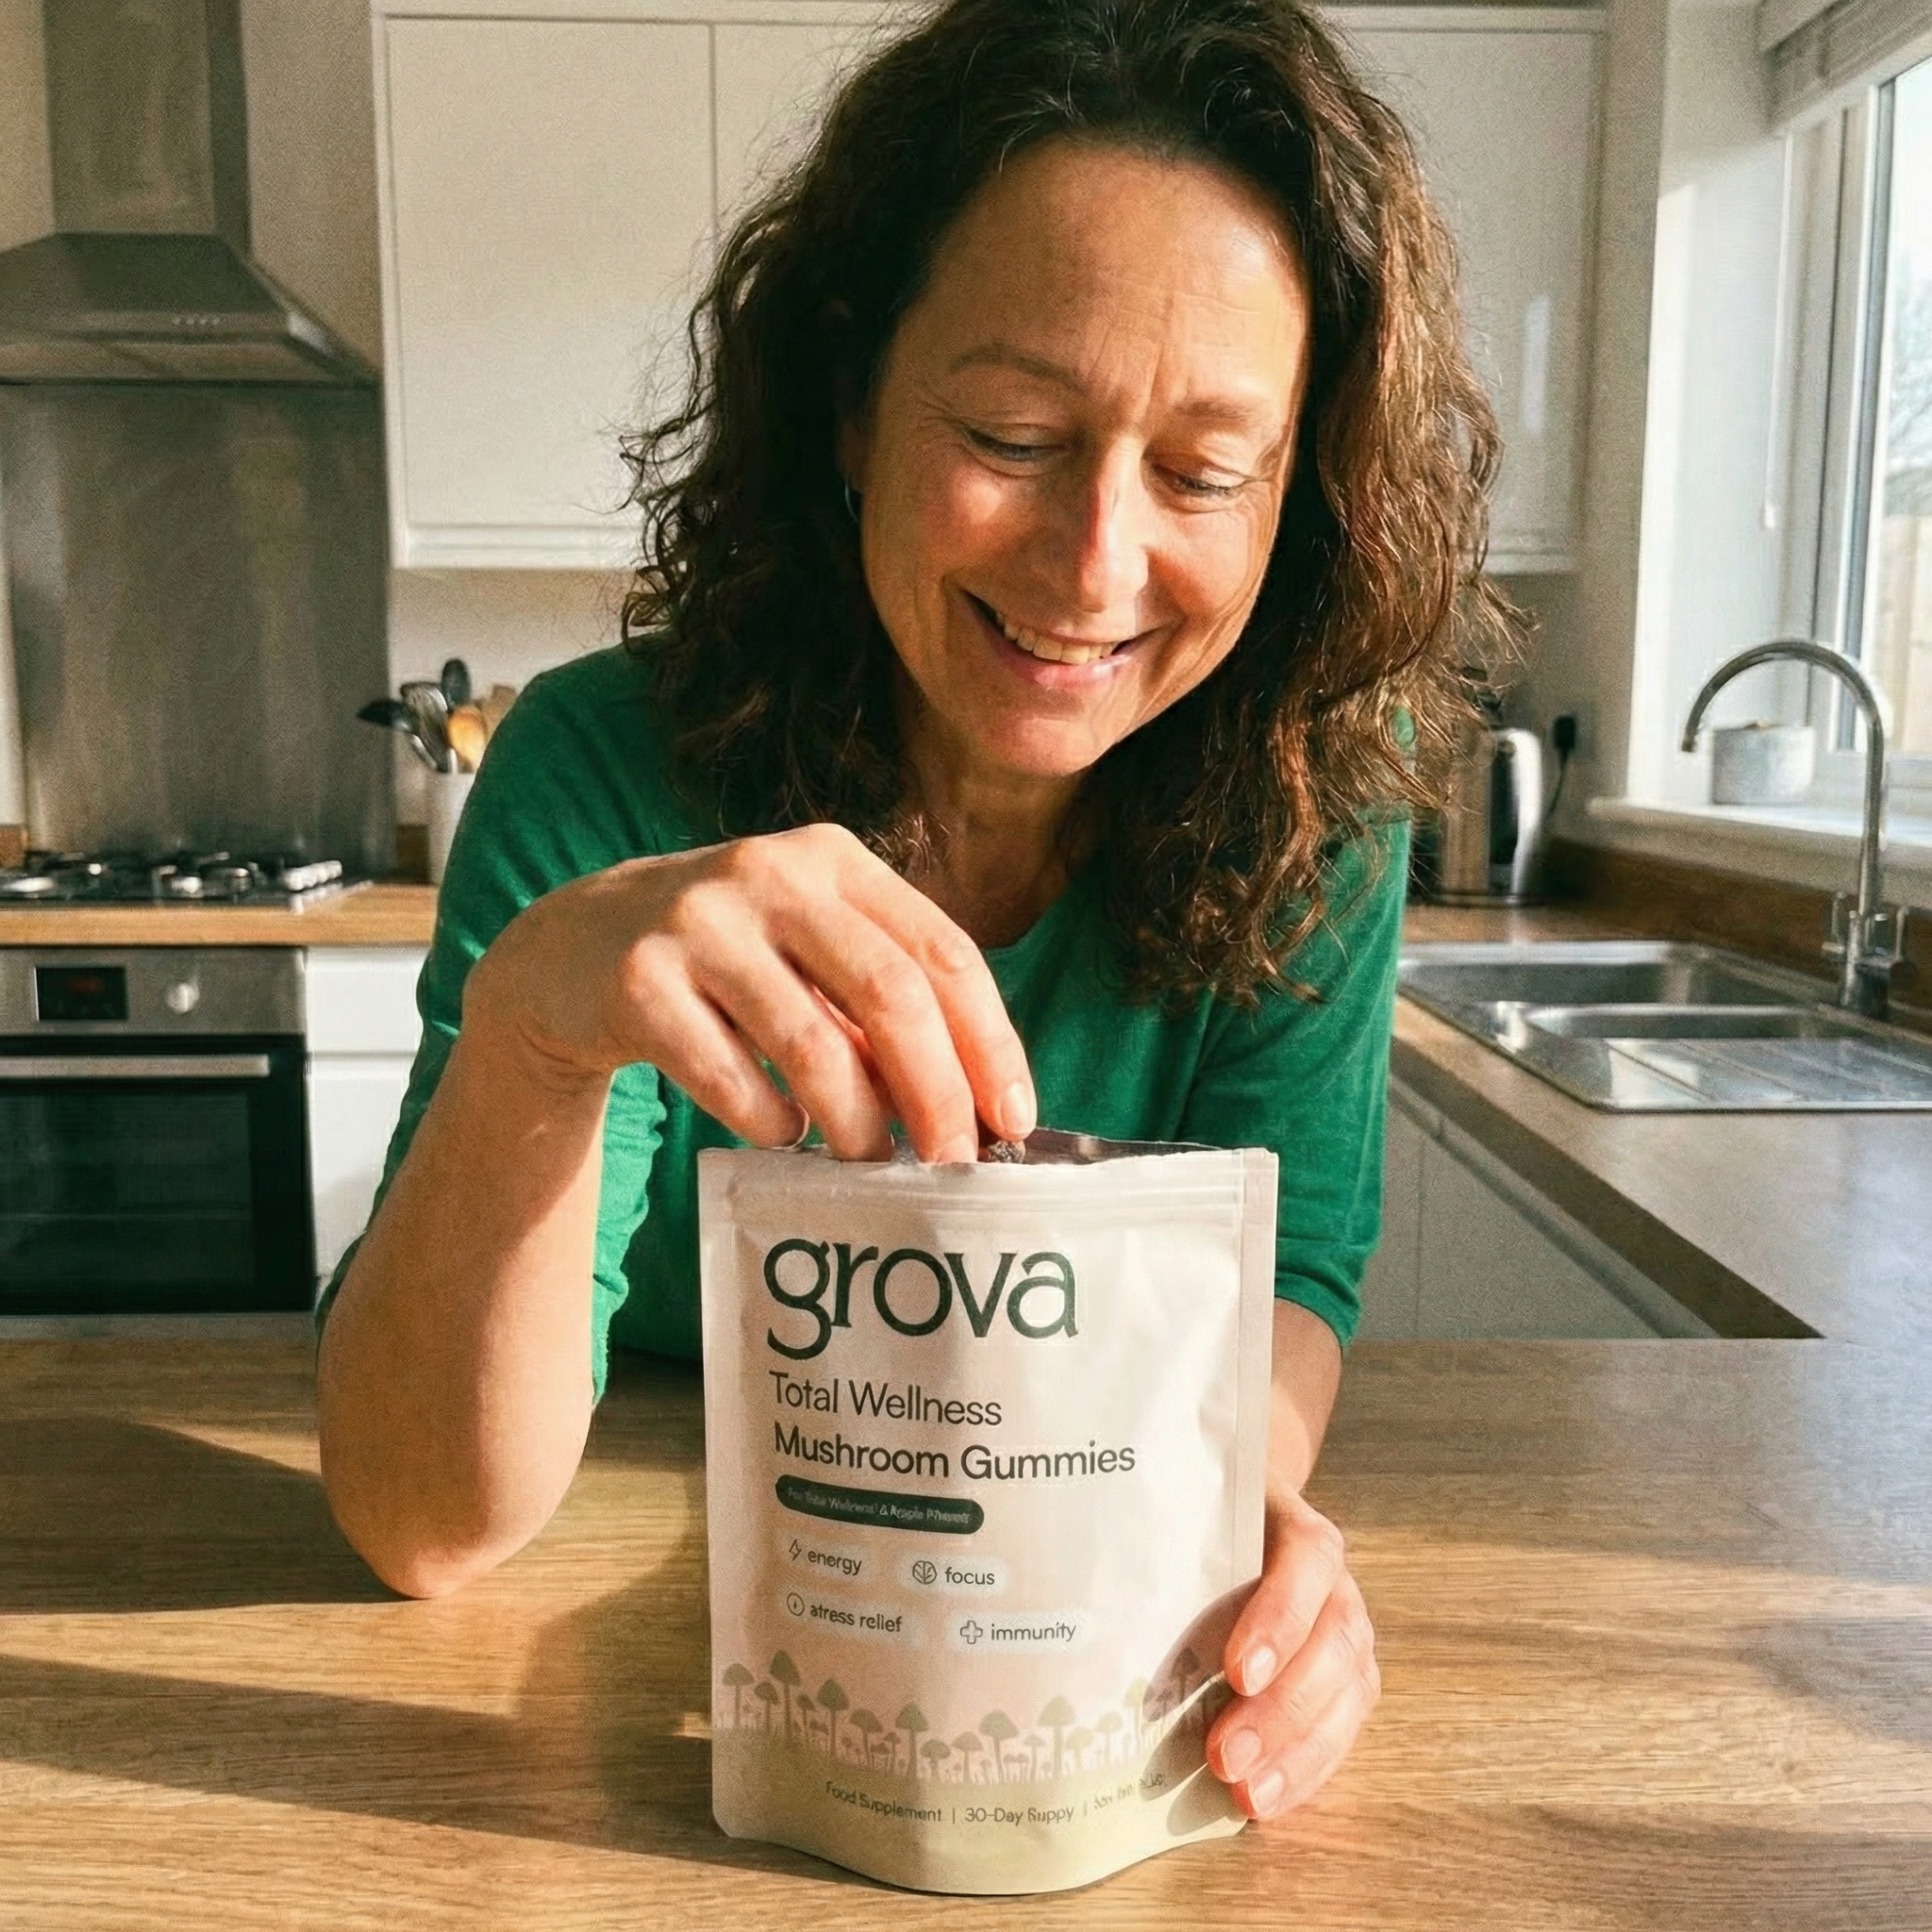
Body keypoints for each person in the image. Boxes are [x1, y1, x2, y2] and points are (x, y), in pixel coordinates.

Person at [317, 0, 1510, 1826]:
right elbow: (424, 1528)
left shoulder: (1321, 815)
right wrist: (541, 1034)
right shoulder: (603, 768)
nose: (1095, 567)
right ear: (850, 407)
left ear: (1304, 507)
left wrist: (1221, 1526)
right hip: (603, 1582)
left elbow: (1278, 1287)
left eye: (1203, 472)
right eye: (1015, 431)